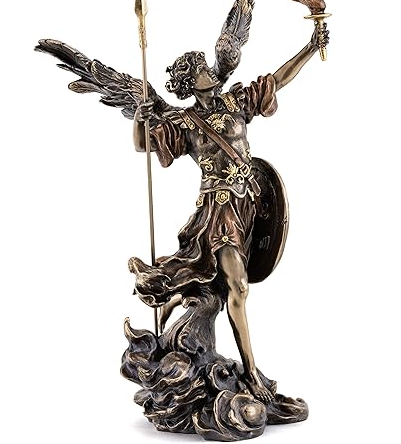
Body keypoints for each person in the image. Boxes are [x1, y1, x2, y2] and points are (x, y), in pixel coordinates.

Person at [129, 25, 328, 402]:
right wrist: (141, 117)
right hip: (218, 212)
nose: (210, 70)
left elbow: (276, 81)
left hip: (250, 205)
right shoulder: (185, 124)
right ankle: (251, 370)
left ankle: (181, 299)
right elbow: (143, 146)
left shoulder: (236, 102)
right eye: (201, 68)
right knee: (237, 286)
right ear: (191, 82)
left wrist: (309, 46)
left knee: (219, 285)